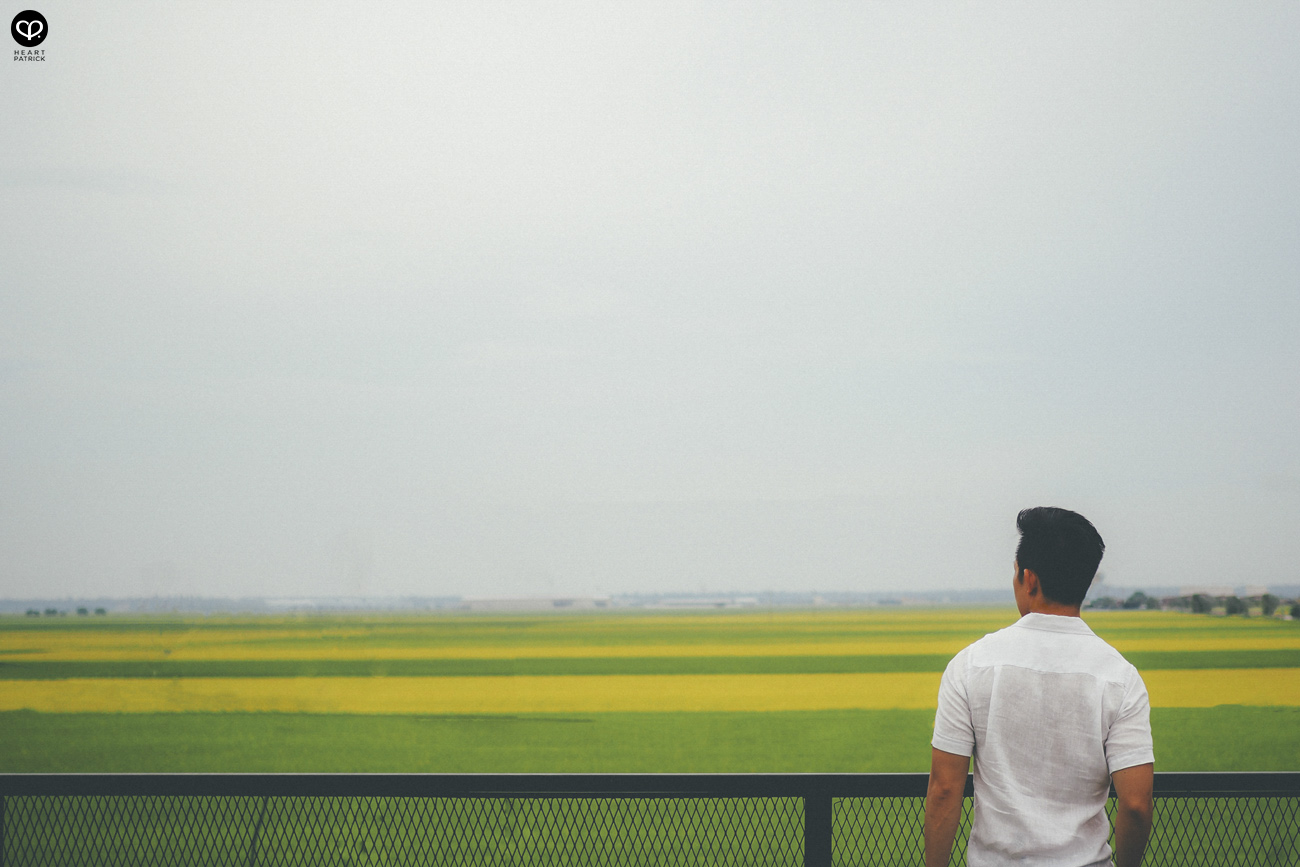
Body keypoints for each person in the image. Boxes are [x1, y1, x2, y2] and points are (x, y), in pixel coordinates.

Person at [923, 507, 1154, 867]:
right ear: (1086, 581)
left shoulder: (971, 665)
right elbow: (1137, 804)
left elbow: (945, 788)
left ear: (1028, 579)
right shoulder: (1120, 677)